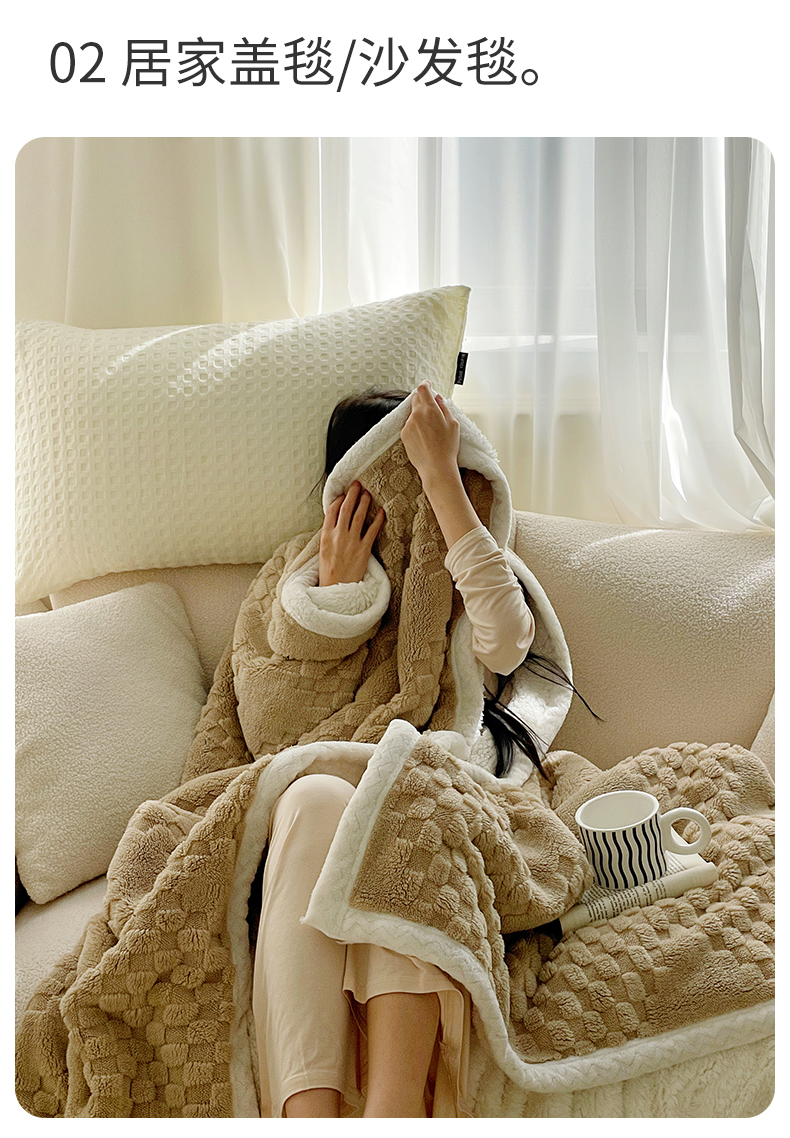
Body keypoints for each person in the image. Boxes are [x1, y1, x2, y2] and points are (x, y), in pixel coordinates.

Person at [251, 382, 563, 1119]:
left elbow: (506, 642)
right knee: (315, 795)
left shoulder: (465, 561)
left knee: (403, 788)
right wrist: (334, 602)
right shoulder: (293, 577)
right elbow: (270, 729)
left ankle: (394, 1109)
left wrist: (444, 483)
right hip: (323, 793)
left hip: (438, 786)